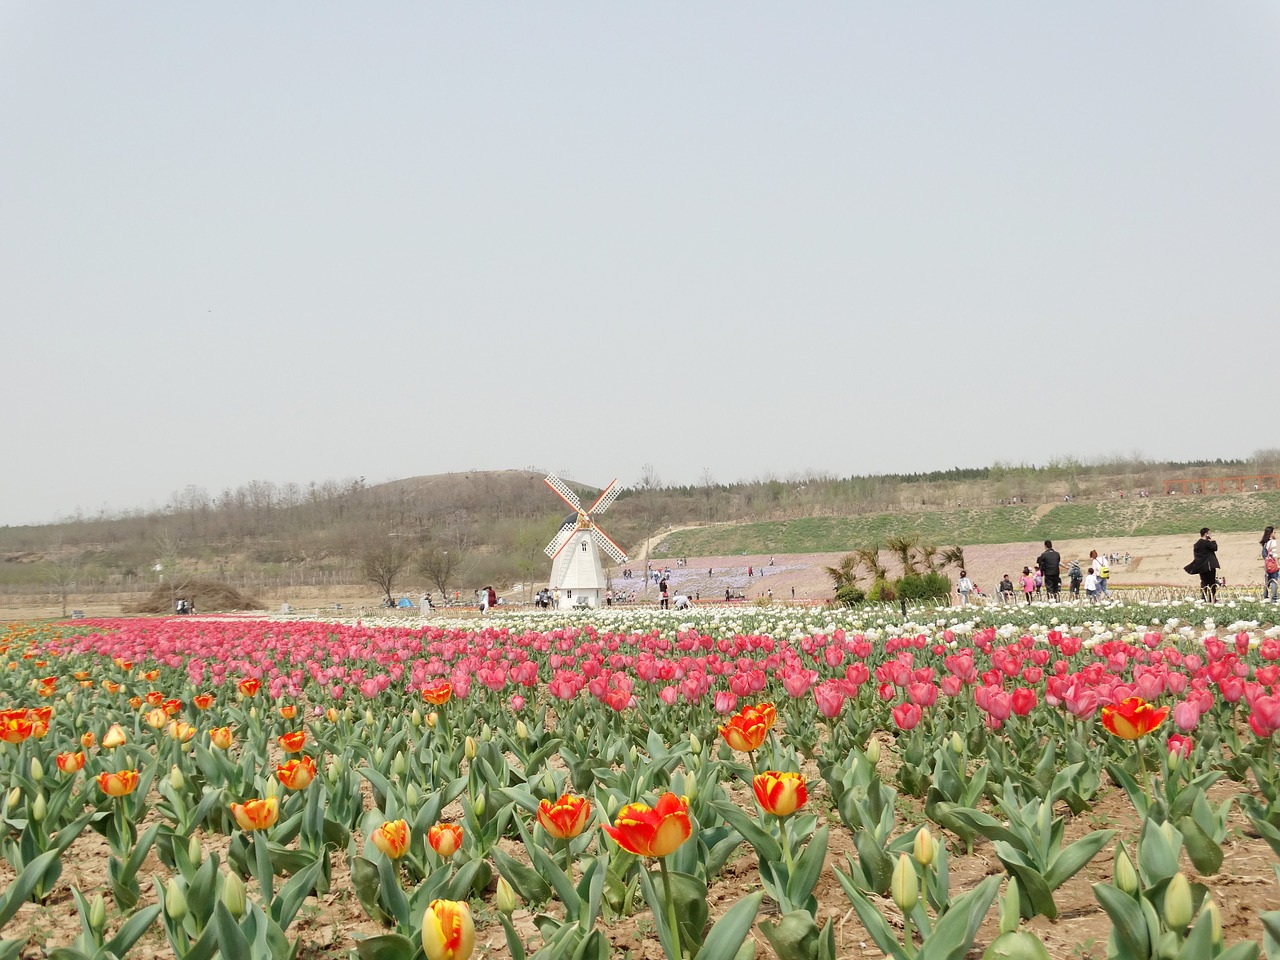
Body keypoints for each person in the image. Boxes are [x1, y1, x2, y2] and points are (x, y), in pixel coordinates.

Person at [1184, 528, 1220, 602]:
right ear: (1206, 534)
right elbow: (1214, 548)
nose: (1210, 535)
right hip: (1209, 566)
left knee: (1204, 582)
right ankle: (1212, 598)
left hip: (1201, 567)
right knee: (1211, 582)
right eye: (1209, 533)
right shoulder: (1206, 543)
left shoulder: (1196, 544)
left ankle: (1204, 597)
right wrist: (1213, 541)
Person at [1262, 525, 1278, 602]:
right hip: (1273, 564)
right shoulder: (1273, 542)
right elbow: (1274, 554)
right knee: (1274, 580)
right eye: (1274, 532)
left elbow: (1264, 555)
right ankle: (1274, 598)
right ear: (1271, 533)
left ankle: (1265, 596)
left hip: (1267, 564)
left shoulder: (1265, 543)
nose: (1275, 534)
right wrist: (1277, 564)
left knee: (1267, 580)